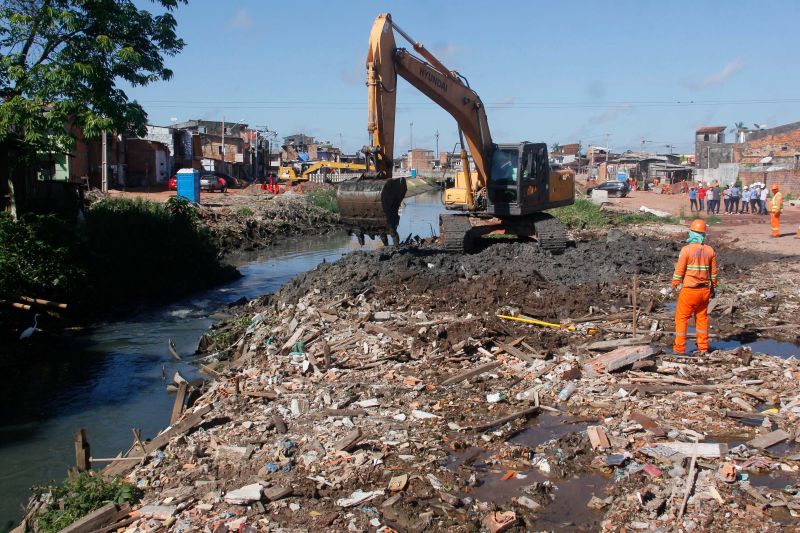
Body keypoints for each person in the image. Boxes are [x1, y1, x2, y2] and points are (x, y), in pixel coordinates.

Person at [671, 219, 717, 355]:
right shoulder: (710, 251)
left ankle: (679, 349)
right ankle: (703, 347)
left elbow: (679, 271)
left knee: (681, 319)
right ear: (703, 234)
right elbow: (713, 273)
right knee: (702, 318)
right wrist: (713, 288)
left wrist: (673, 285)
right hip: (704, 291)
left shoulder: (686, 250)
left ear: (692, 233)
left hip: (690, 291)